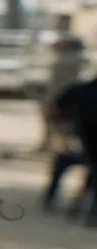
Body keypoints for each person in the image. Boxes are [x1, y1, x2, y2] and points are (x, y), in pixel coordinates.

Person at [43, 75, 97, 223]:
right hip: (87, 150)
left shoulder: (79, 90)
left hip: (84, 148)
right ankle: (91, 211)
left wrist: (62, 132)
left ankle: (53, 197)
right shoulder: (81, 91)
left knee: (65, 160)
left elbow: (54, 110)